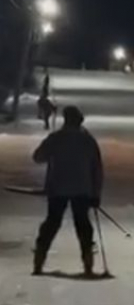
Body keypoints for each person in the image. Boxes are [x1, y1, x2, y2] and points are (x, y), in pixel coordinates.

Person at [32, 106, 103, 276]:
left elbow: (37, 157)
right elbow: (97, 169)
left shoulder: (56, 138)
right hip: (83, 189)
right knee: (83, 225)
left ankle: (39, 259)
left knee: (52, 223)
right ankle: (88, 262)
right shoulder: (88, 140)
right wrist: (96, 193)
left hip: (58, 187)